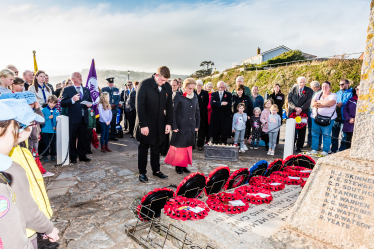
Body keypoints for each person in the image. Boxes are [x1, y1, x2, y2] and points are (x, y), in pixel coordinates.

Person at [0, 99, 60, 248]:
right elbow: (12, 235)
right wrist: (48, 228)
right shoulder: (10, 168)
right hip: (24, 233)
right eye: (31, 125)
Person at [134, 66, 172, 183]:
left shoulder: (167, 87)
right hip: (146, 122)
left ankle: (156, 170)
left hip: (159, 123)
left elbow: (169, 106)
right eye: (162, 80)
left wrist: (168, 123)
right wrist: (143, 125)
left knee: (156, 148)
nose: (164, 83)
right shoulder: (144, 84)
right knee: (144, 148)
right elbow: (139, 106)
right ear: (156, 76)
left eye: (166, 81)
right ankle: (142, 173)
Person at [164, 78, 200, 174]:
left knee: (188, 146)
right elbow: (173, 112)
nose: (191, 90)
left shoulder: (195, 96)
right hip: (180, 125)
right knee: (180, 147)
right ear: (184, 87)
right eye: (189, 88)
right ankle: (178, 166)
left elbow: (197, 111)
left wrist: (197, 124)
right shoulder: (177, 95)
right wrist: (174, 126)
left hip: (191, 125)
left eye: (193, 88)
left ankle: (184, 165)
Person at [61, 72, 92, 164]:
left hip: (84, 118)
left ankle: (82, 156)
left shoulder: (86, 89)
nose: (80, 78)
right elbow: (63, 103)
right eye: (78, 77)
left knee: (82, 138)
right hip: (73, 118)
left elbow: (90, 101)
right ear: (72, 79)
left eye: (81, 76)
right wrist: (72, 100)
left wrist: (90, 105)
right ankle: (73, 157)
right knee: (72, 138)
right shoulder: (67, 89)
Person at [309, 81, 337, 156]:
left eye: (326, 86)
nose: (324, 88)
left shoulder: (333, 95)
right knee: (315, 134)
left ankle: (325, 150)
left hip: (328, 119)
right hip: (315, 117)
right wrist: (325, 104)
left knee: (326, 134)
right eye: (323, 86)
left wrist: (319, 102)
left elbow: (331, 103)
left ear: (330, 87)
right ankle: (314, 149)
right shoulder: (318, 94)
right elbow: (313, 104)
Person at [288, 76, 313, 153]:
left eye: (303, 82)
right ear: (297, 82)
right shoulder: (292, 89)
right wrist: (295, 108)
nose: (302, 83)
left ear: (305, 82)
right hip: (293, 112)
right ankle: (291, 145)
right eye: (300, 82)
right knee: (292, 130)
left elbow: (309, 101)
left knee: (301, 130)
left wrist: (301, 108)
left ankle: (299, 147)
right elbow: (289, 100)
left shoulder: (309, 90)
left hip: (303, 113)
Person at [331, 79, 353, 153]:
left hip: (345, 118)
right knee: (334, 135)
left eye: (342, 84)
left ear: (348, 84)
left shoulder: (352, 93)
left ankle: (342, 151)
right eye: (340, 84)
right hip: (336, 117)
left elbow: (351, 101)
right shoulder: (336, 93)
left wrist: (342, 103)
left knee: (344, 136)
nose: (341, 86)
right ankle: (333, 150)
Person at [41, 95, 59, 162]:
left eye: (54, 103)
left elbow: (58, 121)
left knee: (53, 144)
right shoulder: (44, 110)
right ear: (48, 102)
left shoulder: (57, 111)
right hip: (45, 129)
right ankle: (45, 155)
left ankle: (53, 155)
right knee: (45, 143)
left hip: (53, 131)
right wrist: (48, 118)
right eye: (51, 102)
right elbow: (41, 120)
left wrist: (56, 127)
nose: (52, 104)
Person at [306, 81, 322, 148]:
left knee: (318, 130)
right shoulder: (312, 92)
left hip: (317, 113)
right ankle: (309, 143)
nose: (311, 88)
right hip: (310, 112)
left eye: (312, 87)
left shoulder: (322, 93)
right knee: (310, 129)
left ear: (315, 87)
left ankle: (318, 144)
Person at [195, 80, 209, 150]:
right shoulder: (193, 92)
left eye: (200, 85)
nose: (198, 86)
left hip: (202, 114)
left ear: (202, 86)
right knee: (193, 130)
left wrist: (198, 109)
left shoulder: (205, 93)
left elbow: (205, 103)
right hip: (193, 114)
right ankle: (192, 145)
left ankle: (200, 145)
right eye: (197, 85)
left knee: (202, 130)